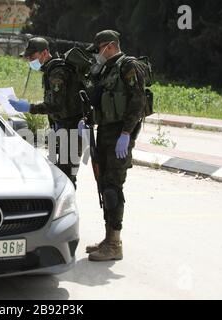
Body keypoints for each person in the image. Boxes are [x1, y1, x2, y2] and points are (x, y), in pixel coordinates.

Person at [85, 30, 147, 261]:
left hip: (120, 134)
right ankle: (107, 238)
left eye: (99, 48)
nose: (97, 54)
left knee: (113, 188)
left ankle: (115, 244)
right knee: (103, 185)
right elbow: (99, 101)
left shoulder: (128, 66)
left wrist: (126, 134)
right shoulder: (107, 69)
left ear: (110, 46)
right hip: (105, 133)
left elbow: (137, 102)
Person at [9, 37, 86, 188]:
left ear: (44, 53)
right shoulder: (51, 70)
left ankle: (66, 210)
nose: (30, 60)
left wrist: (29, 108)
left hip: (71, 130)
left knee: (65, 179)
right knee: (61, 175)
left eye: (32, 57)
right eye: (28, 57)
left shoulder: (57, 72)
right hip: (63, 128)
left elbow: (55, 106)